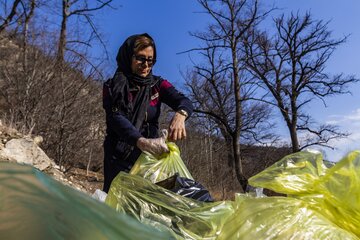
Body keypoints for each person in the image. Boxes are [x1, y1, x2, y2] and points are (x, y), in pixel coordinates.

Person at [102, 33, 193, 193]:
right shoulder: (112, 87)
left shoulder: (157, 85)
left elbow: (183, 101)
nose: (146, 65)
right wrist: (141, 141)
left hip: (148, 158)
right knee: (115, 204)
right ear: (128, 57)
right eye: (140, 58)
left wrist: (181, 114)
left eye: (150, 60)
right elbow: (116, 118)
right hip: (118, 157)